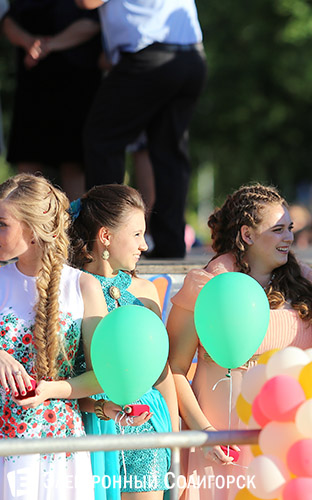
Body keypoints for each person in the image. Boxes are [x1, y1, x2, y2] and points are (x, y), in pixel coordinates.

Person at [167, 184, 312, 500]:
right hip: (223, 441)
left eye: (290, 228)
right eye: (278, 229)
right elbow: (173, 368)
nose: (289, 237)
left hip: (288, 439)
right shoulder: (208, 285)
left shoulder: (307, 284)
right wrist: (204, 432)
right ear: (247, 234)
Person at [0, 173, 108, 500]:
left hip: (60, 449)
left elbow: (102, 375)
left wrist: (51, 390)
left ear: (33, 231)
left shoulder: (83, 287)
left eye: (2, 224)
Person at [69, 184, 178, 500]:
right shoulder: (70, 290)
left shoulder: (146, 291)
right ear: (105, 236)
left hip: (145, 428)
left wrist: (176, 445)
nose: (144, 245)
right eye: (137, 234)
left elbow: (162, 375)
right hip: (90, 426)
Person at [76, 0, 206, 259]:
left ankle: (106, 240)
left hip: (149, 57)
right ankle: (170, 244)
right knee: (169, 153)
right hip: (191, 57)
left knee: (103, 141)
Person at [2, 0, 102, 201]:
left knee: (73, 162)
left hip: (76, 82)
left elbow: (93, 23)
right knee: (28, 162)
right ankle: (28, 217)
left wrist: (47, 46)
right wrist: (29, 42)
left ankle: (76, 220)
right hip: (32, 82)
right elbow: (8, 21)